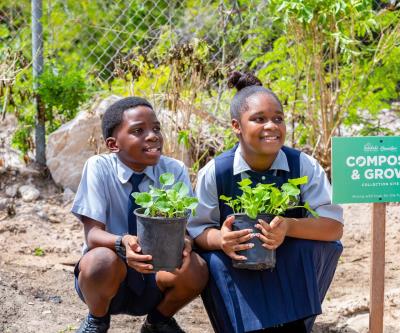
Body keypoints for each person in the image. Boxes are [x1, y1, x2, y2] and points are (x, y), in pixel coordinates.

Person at [188, 72, 344, 333]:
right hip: (236, 258)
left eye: (278, 119)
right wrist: (221, 239)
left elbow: (334, 227)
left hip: (286, 258)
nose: (271, 126)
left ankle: (295, 324)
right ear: (236, 126)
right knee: (212, 259)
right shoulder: (216, 171)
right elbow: (196, 230)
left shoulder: (302, 165)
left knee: (310, 248)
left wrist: (288, 227)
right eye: (259, 119)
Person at [71, 97, 208, 333]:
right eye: (138, 130)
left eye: (156, 128)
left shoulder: (173, 170)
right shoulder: (98, 167)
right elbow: (92, 235)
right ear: (114, 144)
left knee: (196, 268)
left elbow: (185, 230)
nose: (153, 135)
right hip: (109, 278)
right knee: (100, 261)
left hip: (157, 274)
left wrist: (185, 241)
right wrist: (122, 243)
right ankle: (98, 319)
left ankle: (158, 320)